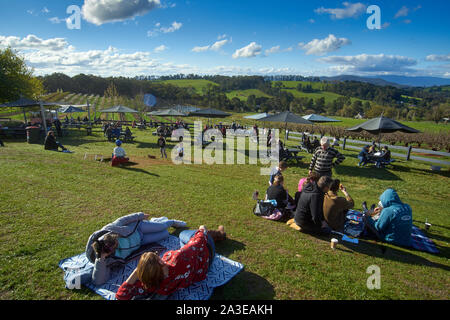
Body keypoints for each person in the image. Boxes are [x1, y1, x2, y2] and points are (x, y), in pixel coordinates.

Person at [115, 225, 226, 300]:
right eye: (156, 255)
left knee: (186, 242)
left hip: (193, 266)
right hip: (206, 255)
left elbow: (120, 296)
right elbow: (199, 241)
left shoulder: (150, 285)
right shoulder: (177, 259)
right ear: (161, 262)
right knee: (184, 235)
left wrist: (135, 272)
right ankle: (219, 234)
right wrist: (202, 229)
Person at [85, 213, 187, 286]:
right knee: (165, 234)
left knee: (162, 226)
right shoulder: (105, 259)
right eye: (116, 245)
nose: (118, 242)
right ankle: (156, 221)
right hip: (141, 242)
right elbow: (98, 281)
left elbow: (124, 219)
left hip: (139, 228)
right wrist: (101, 259)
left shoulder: (110, 230)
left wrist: (140, 216)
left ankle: (172, 222)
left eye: (116, 239)